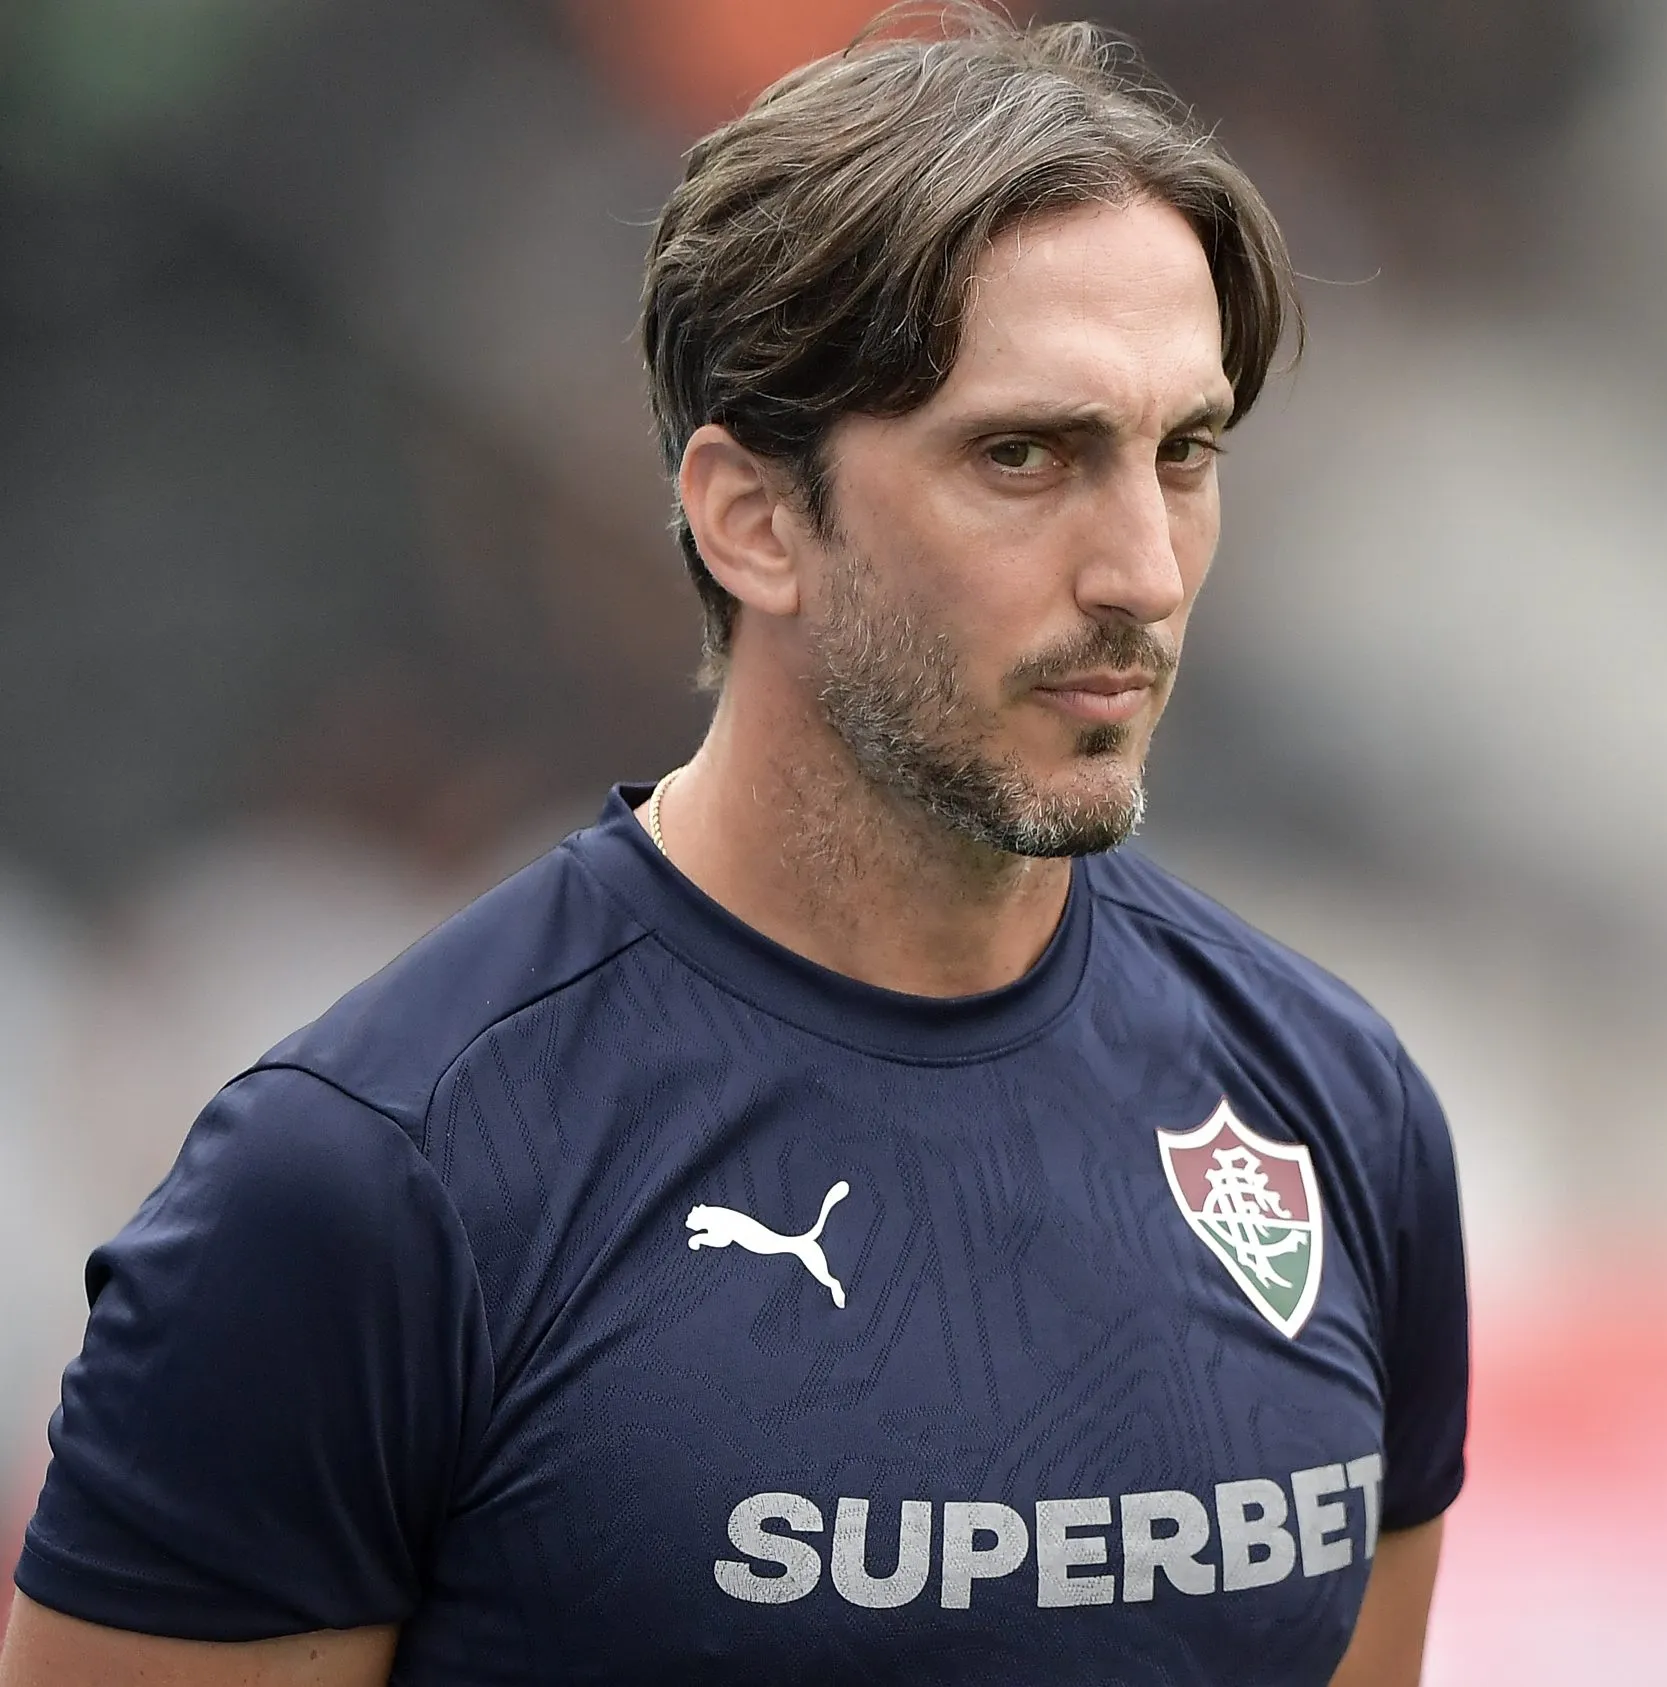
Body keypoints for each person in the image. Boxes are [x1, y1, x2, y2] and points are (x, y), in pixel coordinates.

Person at [0, 13, 1465, 1685]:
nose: (1142, 565)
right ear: (750, 517)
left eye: (1182, 452)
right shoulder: (366, 1190)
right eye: (1023, 455)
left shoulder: (1335, 1107)